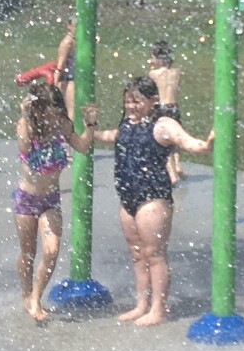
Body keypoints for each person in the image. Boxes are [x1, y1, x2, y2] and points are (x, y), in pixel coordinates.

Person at [86, 75, 212, 327]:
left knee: (154, 255)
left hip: (152, 198)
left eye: (137, 101)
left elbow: (188, 142)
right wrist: (90, 126)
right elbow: (109, 136)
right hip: (128, 197)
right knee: (136, 254)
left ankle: (158, 308)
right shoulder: (127, 124)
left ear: (153, 101)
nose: (131, 107)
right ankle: (141, 304)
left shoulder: (163, 124)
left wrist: (206, 144)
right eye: (128, 102)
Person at [11, 80, 94, 322]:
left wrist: (90, 124)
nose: (56, 112)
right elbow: (25, 147)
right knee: (28, 252)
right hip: (26, 200)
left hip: (50, 199)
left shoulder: (62, 125)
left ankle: (36, 298)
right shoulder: (26, 127)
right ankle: (25, 293)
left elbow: (82, 146)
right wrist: (25, 114)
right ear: (39, 109)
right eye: (51, 108)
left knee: (52, 249)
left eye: (58, 107)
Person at [148, 41, 184, 186]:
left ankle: (172, 174)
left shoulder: (154, 73)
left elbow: (151, 92)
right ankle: (178, 166)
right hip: (174, 107)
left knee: (164, 142)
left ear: (157, 59)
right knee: (176, 139)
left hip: (161, 109)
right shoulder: (177, 72)